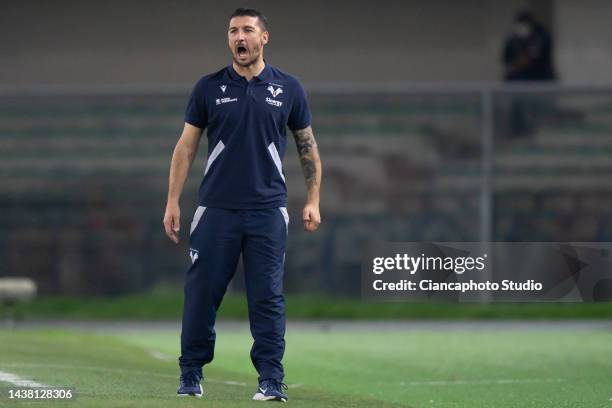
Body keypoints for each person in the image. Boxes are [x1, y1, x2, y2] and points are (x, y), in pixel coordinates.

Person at [163, 7, 322, 402]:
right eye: (234, 31)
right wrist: (172, 201)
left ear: (263, 37)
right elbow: (185, 148)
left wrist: (314, 199)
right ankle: (190, 373)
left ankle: (270, 378)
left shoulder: (288, 88)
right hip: (215, 210)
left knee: (267, 296)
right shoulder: (207, 87)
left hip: (268, 211)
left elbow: (308, 146)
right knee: (201, 293)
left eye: (248, 30)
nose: (240, 37)